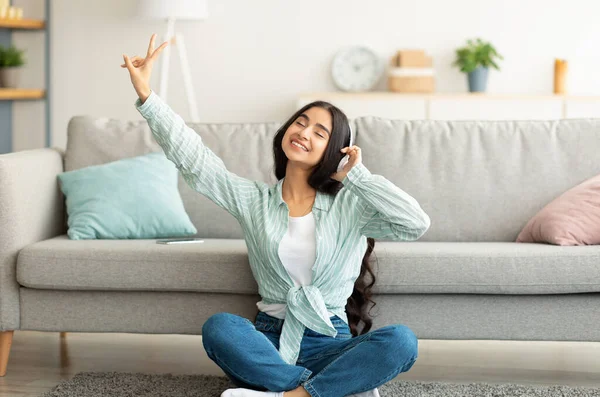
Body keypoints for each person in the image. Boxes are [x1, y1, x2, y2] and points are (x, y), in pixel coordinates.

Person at [122, 34, 431, 397]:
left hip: (331, 340)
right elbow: (196, 162)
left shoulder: (352, 205)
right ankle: (327, 390)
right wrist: (148, 96)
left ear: (333, 150)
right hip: (271, 340)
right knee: (220, 328)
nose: (304, 132)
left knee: (401, 342)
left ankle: (287, 393)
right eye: (301, 122)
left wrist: (357, 177)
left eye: (320, 132)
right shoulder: (253, 200)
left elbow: (415, 223)